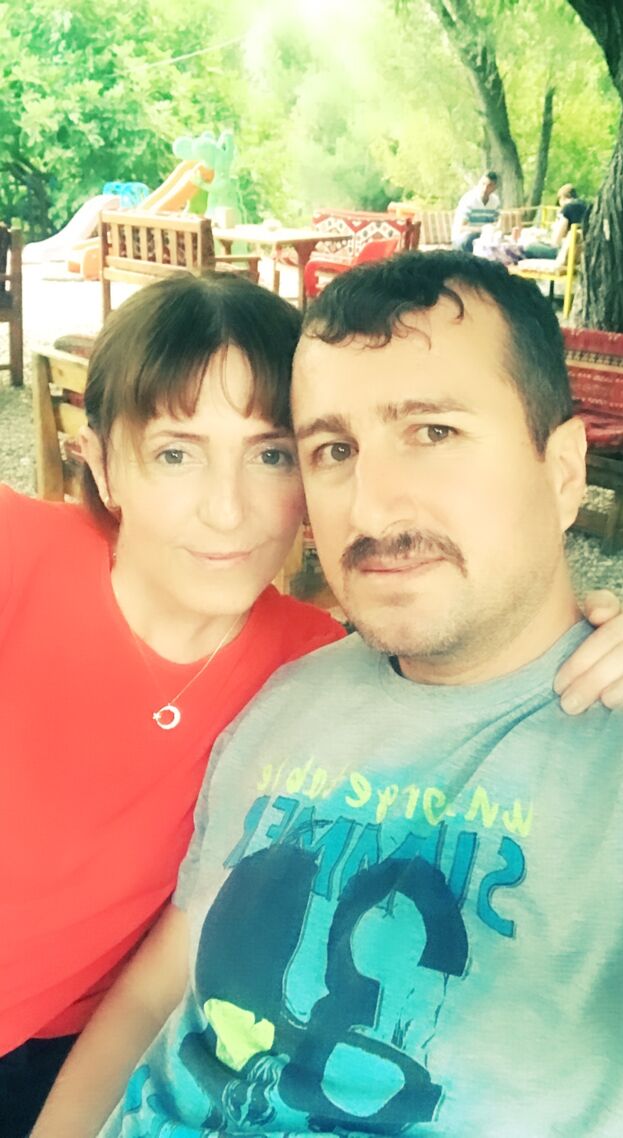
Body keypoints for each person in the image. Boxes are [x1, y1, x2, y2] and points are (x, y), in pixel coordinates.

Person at [32, 253, 623, 1138]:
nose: (371, 506)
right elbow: (153, 998)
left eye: (433, 431)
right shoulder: (287, 697)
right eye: (332, 451)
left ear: (563, 469)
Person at [0, 273, 346, 1137]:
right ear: (102, 462)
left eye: (271, 454)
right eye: (176, 453)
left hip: (69, 1056)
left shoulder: (317, 666)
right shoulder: (16, 555)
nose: (227, 510)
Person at [521, 183, 588, 260]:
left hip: (561, 253)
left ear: (562, 198)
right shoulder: (585, 207)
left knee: (528, 247)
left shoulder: (567, 209)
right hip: (576, 254)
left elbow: (555, 242)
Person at [451, 171, 500, 253]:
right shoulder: (469, 199)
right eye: (483, 184)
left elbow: (495, 223)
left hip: (484, 238)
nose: (485, 188)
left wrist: (493, 229)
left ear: (494, 187)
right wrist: (482, 229)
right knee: (472, 240)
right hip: (463, 238)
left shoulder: (495, 201)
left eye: (489, 185)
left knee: (498, 240)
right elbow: (461, 227)